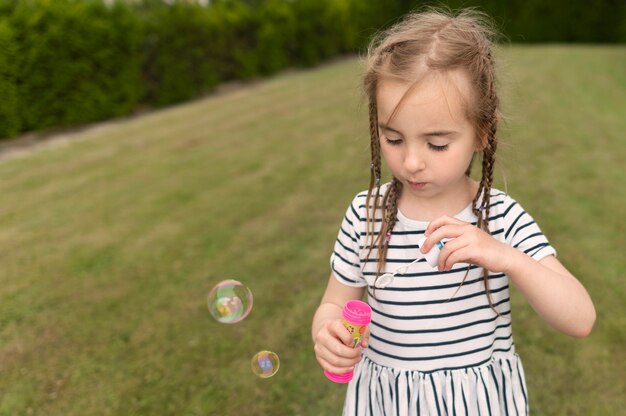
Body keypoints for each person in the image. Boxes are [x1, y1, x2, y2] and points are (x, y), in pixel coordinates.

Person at [311, 8, 595, 415]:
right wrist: (327, 332)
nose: (411, 162)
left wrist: (509, 259)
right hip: (387, 401)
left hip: (473, 403)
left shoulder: (499, 216)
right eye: (393, 138)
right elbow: (334, 304)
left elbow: (580, 318)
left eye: (437, 144)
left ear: (482, 132)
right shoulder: (365, 213)